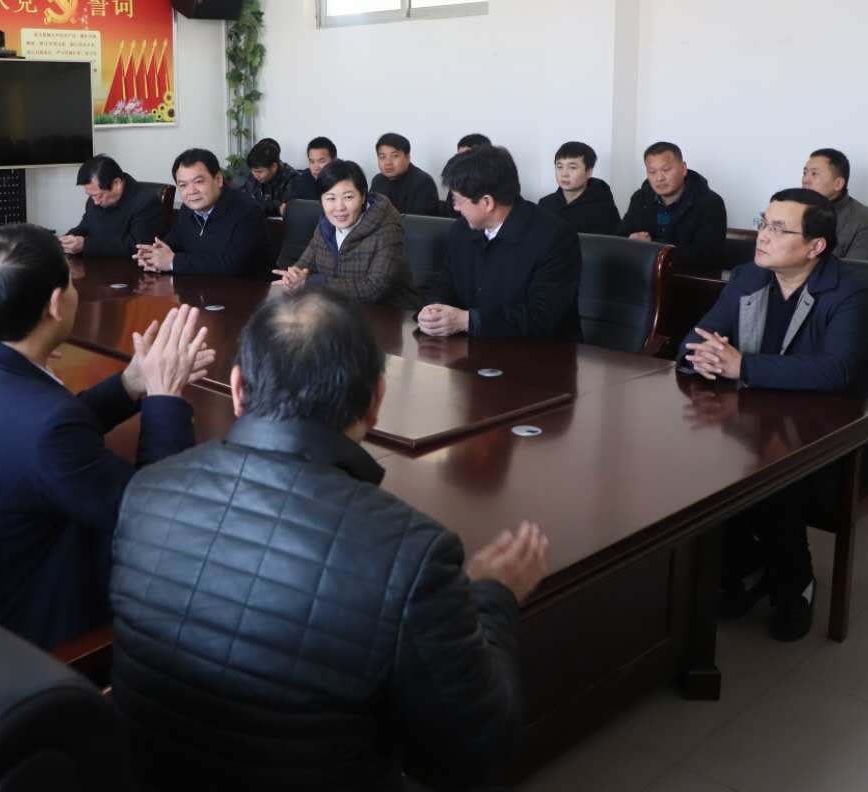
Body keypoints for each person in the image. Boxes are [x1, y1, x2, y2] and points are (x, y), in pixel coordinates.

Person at [109, 287, 547, 791]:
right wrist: (491, 596)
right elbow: (475, 747)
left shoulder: (146, 490)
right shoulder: (413, 554)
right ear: (376, 400)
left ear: (237, 388)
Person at [0, 224, 211, 650]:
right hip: (28, 644)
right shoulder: (48, 429)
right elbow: (162, 520)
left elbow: (31, 434)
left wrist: (130, 385)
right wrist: (165, 396)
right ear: (54, 304)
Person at [680, 188, 868, 642]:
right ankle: (740, 566)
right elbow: (696, 339)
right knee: (687, 461)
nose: (763, 236)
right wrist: (702, 357)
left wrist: (743, 366)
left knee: (771, 475)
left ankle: (794, 581)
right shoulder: (749, 276)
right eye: (764, 223)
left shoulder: (846, 291)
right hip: (747, 415)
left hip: (821, 427)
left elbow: (838, 370)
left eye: (779, 230)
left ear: (815, 246)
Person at [419, 145, 581, 339]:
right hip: (472, 347)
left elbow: (542, 318)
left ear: (487, 202)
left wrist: (467, 321)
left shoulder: (555, 238)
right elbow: (444, 282)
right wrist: (433, 309)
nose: (455, 208)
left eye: (457, 200)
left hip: (541, 352)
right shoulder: (461, 231)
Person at [273, 160, 417, 308]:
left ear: (363, 196)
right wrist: (294, 277)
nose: (339, 207)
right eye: (331, 198)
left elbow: (373, 289)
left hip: (388, 313)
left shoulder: (387, 229)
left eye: (348, 197)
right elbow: (305, 264)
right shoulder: (326, 224)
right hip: (336, 308)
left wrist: (311, 283)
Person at [134, 148, 269, 277]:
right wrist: (152, 255)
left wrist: (172, 262)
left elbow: (233, 264)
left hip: (246, 289)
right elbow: (172, 243)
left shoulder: (247, 211)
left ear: (218, 180)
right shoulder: (187, 209)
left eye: (198, 182)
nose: (191, 191)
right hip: (198, 287)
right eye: (183, 185)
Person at [618, 141, 728, 268]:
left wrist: (652, 247)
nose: (659, 178)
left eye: (666, 170)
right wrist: (630, 240)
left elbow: (708, 257)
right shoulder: (640, 198)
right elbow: (619, 237)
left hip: (688, 277)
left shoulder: (710, 203)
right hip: (644, 273)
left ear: (683, 169)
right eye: (652, 172)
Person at [61, 155, 164, 257]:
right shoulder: (94, 200)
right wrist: (66, 240)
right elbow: (85, 227)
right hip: (97, 263)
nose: (95, 202)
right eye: (90, 195)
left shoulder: (146, 202)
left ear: (116, 183)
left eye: (97, 195)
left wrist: (86, 245)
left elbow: (137, 247)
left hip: (128, 266)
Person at [801, 148, 868, 261]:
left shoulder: (864, 220)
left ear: (838, 184)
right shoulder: (792, 209)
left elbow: (857, 270)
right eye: (805, 173)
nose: (805, 180)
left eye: (814, 174)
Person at [537, 140, 620, 235]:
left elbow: (613, 241)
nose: (564, 174)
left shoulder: (604, 207)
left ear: (589, 172)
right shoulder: (545, 204)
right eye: (559, 167)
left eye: (572, 167)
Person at [369, 132, 440, 217]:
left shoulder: (423, 183)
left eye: (395, 156)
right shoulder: (378, 180)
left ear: (408, 157)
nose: (388, 162)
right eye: (382, 157)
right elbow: (370, 214)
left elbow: (419, 222)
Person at [242, 138, 297, 217]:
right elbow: (241, 200)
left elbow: (287, 209)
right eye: (252, 171)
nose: (255, 175)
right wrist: (274, 206)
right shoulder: (253, 173)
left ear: (274, 166)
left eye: (259, 172)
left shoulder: (292, 178)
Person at [441, 133, 493, 214]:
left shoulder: (496, 188)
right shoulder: (456, 187)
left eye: (466, 157)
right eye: (459, 157)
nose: (461, 163)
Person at [288, 135, 336, 201]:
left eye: (321, 161)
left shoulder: (346, 179)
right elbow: (294, 203)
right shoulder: (304, 178)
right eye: (312, 162)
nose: (316, 168)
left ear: (334, 160)